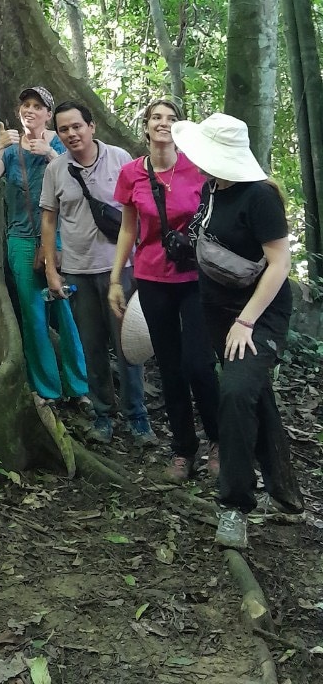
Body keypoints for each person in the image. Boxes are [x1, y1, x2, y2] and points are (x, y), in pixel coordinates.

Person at [171, 112, 303, 550]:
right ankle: (285, 491)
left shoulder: (260, 197)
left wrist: (246, 321)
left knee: (235, 392)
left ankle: (235, 506)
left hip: (257, 315)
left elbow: (280, 263)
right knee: (251, 393)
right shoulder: (213, 188)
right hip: (217, 309)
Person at [109, 99, 220, 483]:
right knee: (170, 367)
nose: (164, 123)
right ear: (146, 125)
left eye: (172, 119)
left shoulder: (199, 167)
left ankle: (218, 443)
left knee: (199, 364)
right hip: (153, 279)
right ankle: (183, 451)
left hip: (195, 280)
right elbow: (127, 228)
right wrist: (114, 279)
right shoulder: (131, 174)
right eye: (157, 117)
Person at [40, 102, 155, 447]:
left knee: (129, 346)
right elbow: (48, 219)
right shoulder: (56, 169)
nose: (72, 134)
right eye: (64, 129)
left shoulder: (120, 159)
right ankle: (103, 416)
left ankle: (138, 418)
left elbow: (141, 209)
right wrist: (51, 268)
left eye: (77, 126)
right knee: (91, 346)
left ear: (92, 126)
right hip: (78, 271)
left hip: (121, 269)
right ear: (58, 134)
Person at [0, 85, 87, 404]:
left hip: (61, 240)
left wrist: (50, 154)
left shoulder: (61, 142)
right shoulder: (10, 149)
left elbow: (79, 179)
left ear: (48, 115)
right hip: (22, 242)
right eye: (25, 104)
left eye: (38, 106)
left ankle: (78, 388)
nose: (30, 110)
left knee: (65, 312)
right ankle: (48, 389)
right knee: (34, 316)